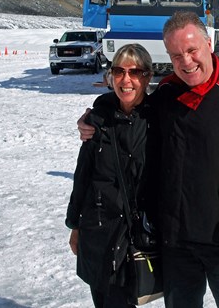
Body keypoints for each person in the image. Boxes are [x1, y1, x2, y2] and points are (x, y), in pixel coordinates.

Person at [79, 12, 219, 308]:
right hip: (176, 242)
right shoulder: (167, 93)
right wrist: (97, 114)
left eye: (192, 50)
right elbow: (131, 105)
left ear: (209, 44)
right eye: (175, 55)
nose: (186, 62)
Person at [65, 44, 154, 308]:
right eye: (118, 71)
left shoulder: (160, 118)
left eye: (134, 72)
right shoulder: (99, 118)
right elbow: (83, 175)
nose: (126, 80)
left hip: (137, 235)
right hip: (100, 232)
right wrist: (75, 225)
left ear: (147, 77)